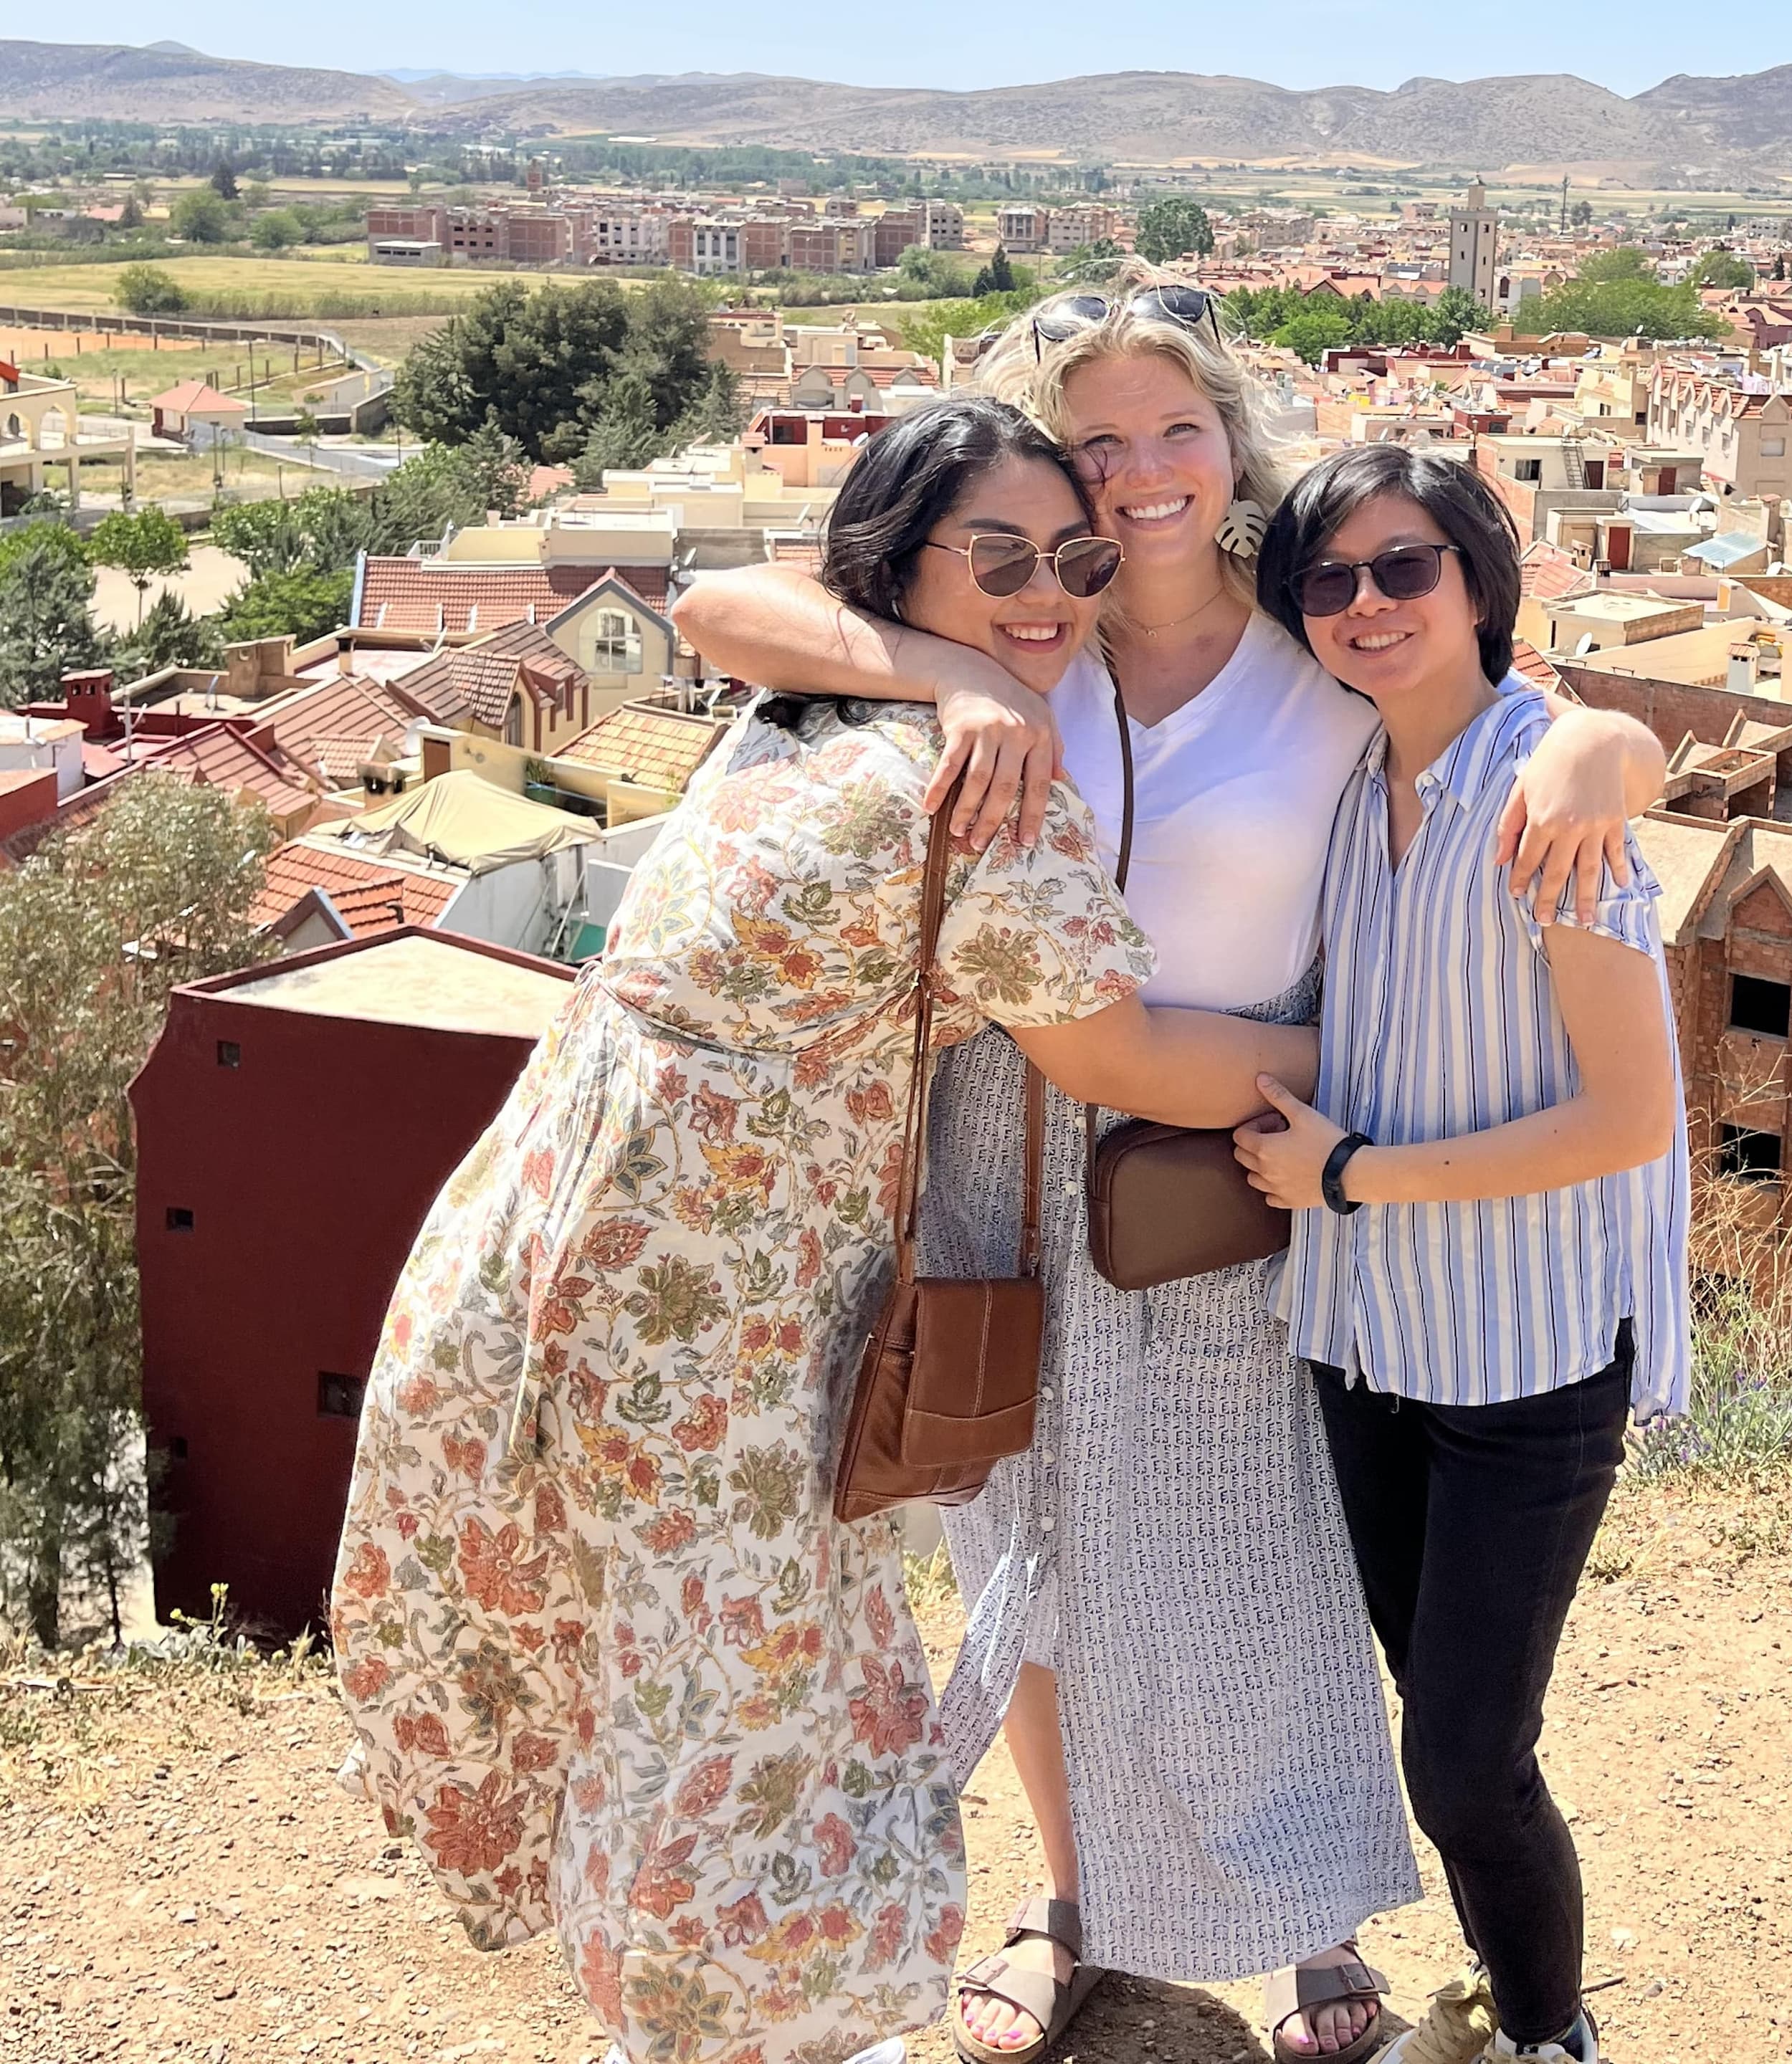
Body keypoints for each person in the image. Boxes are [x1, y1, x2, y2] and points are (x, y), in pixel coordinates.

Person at [672, 267, 1669, 2064]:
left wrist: (1609, 745)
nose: (1139, 474)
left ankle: (1298, 1922)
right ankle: (1075, 1900)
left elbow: (1529, 718)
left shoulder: (1317, 630)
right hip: (1004, 1130)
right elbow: (717, 606)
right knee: (1024, 1531)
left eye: (1177, 430)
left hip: (1246, 1137)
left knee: (1252, 1540)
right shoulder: (1013, 628)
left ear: (1232, 444)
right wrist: (948, 680)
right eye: (1097, 443)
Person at [329, 397, 1326, 2064]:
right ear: (898, 564)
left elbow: (727, 610)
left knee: (644, 1668)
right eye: (1000, 558)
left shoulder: (802, 706)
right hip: (718, 1316)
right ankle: (759, 2029)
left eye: (1076, 562)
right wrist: (1366, 1057)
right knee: (751, 1695)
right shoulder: (980, 789)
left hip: (549, 1240)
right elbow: (1128, 1058)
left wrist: (955, 664)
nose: (1049, 595)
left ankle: (672, 2014)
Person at [1234, 445, 1692, 2064]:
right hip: (1367, 1344)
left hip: (1524, 1355)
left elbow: (1628, 1116)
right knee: (1445, 1719)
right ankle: (1515, 2005)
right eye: (1328, 580)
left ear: (1479, 579)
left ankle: (1549, 2036)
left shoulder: (1545, 799)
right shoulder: (1351, 784)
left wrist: (1352, 1175)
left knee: (1467, 1764)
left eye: (1404, 565)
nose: (1366, 602)